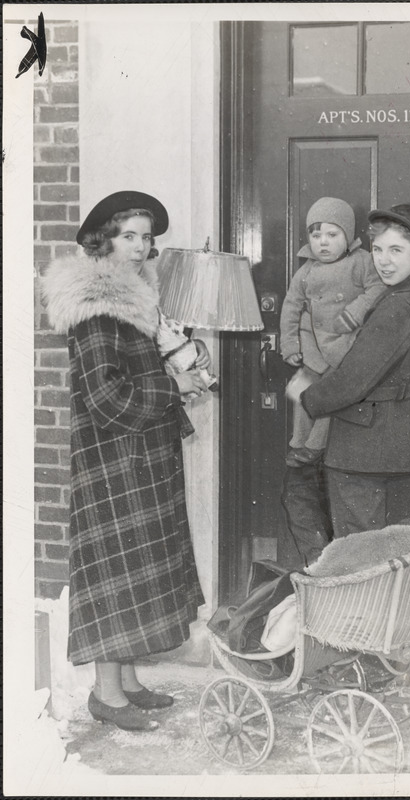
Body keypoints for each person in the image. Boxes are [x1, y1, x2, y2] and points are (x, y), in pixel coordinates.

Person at [42, 191, 209, 731]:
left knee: (137, 571)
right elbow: (104, 398)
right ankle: (105, 694)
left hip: (142, 456)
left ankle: (129, 682)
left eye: (146, 237)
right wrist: (174, 385)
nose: (140, 248)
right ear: (103, 240)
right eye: (129, 236)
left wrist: (182, 361)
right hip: (114, 462)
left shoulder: (134, 301)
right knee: (120, 570)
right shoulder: (96, 308)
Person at [299, 203, 410, 538]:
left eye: (395, 250)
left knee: (358, 543)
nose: (383, 260)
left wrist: (307, 398)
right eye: (377, 249)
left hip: (363, 442)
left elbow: (352, 380)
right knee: (375, 540)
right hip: (388, 433)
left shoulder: (398, 306)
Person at [280, 197, 385, 467]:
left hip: (344, 344)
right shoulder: (305, 270)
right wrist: (290, 344)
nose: (323, 242)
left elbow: (377, 289)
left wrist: (354, 313)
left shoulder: (362, 262)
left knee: (332, 395)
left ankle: (315, 446)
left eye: (332, 234)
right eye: (316, 235)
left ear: (348, 235)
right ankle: (298, 441)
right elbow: (291, 306)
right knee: (301, 392)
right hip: (313, 344)